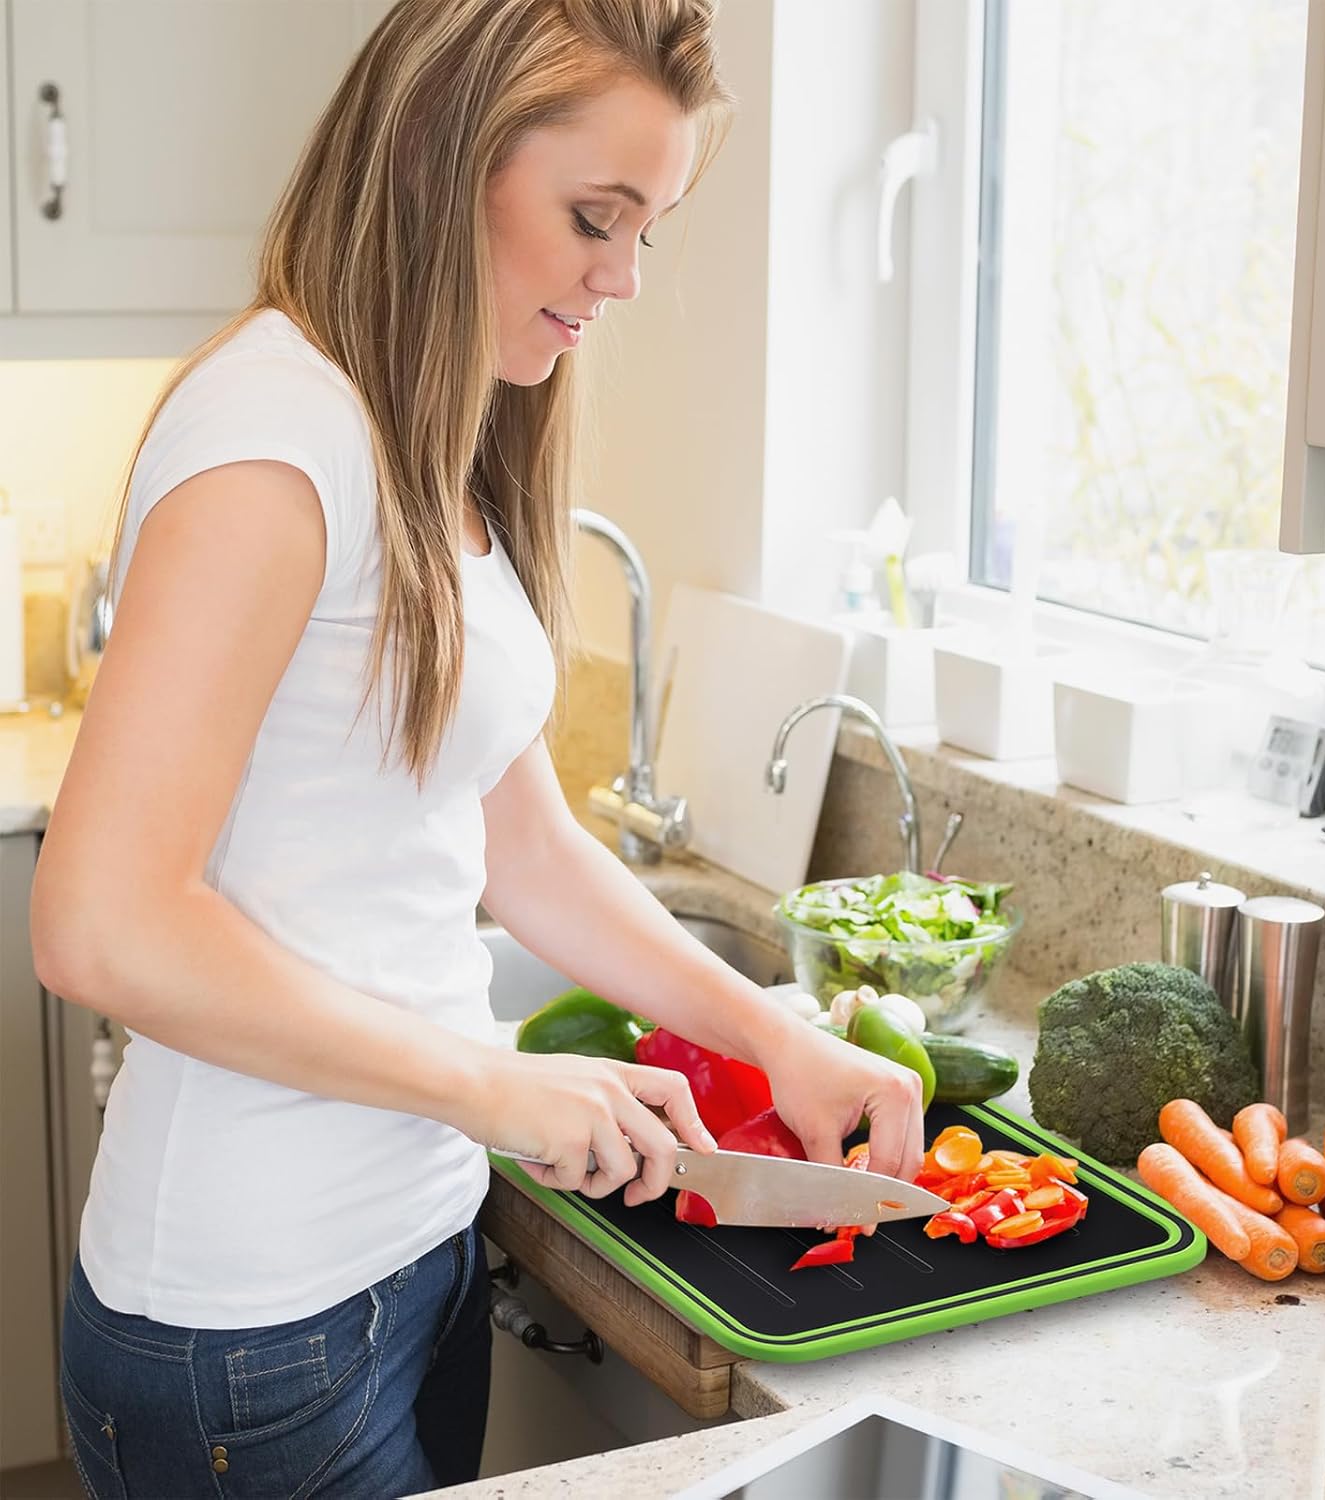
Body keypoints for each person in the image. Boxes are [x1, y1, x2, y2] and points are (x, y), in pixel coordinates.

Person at [30, 2, 926, 1495]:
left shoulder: (425, 435)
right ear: (452, 157)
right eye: (596, 216)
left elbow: (527, 849)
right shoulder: (273, 440)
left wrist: (777, 1033)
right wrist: (495, 1087)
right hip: (250, 1328)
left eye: (651, 229)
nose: (623, 276)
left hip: (403, 1264)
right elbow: (100, 921)